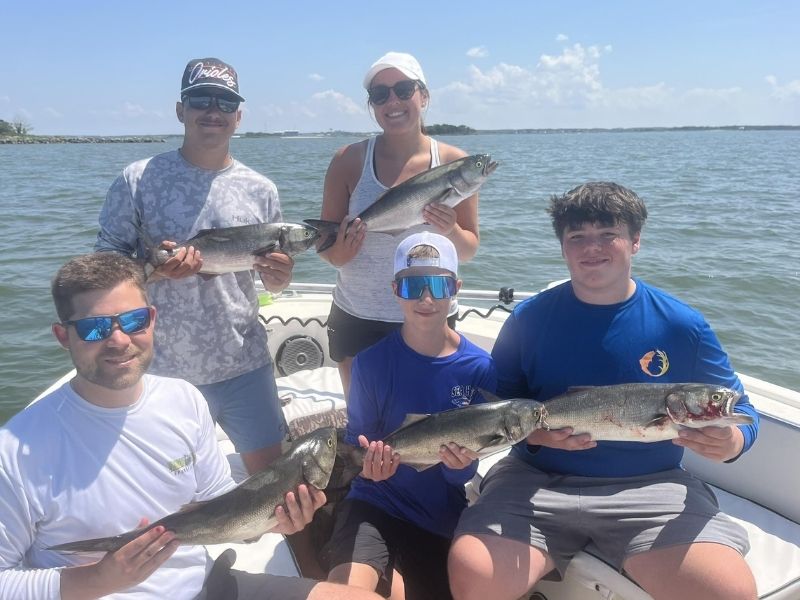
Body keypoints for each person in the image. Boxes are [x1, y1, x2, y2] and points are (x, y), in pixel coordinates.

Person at [0, 253, 383, 600]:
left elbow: (224, 508)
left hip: (205, 587)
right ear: (63, 336)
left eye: (133, 320)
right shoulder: (15, 449)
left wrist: (275, 522)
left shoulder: (183, 399)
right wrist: (101, 580)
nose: (118, 339)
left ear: (151, 319)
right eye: (95, 328)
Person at [448, 182, 760, 600]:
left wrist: (731, 442)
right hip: (536, 482)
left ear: (635, 241)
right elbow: (497, 406)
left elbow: (747, 412)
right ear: (563, 248)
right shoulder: (528, 319)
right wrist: (537, 436)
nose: (591, 247)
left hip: (653, 488)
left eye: (607, 234)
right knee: (474, 576)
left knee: (729, 592)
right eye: (577, 236)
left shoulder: (683, 326)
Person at [95, 57, 293, 474]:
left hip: (245, 362)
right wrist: (151, 270)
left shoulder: (261, 189)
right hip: (162, 370)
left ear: (238, 116)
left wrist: (280, 276)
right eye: (200, 99)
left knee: (274, 485)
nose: (212, 110)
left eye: (224, 102)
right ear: (181, 109)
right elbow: (103, 271)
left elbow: (269, 279)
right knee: (166, 490)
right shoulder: (138, 178)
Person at [324, 232, 497, 599]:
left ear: (456, 288)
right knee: (347, 593)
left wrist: (458, 466)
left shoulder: (480, 369)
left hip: (439, 515)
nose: (426, 298)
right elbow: (358, 439)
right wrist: (367, 464)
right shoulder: (370, 362)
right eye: (412, 286)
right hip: (374, 501)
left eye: (438, 284)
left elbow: (463, 475)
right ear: (394, 289)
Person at [318, 51, 481, 398]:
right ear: (372, 105)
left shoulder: (455, 164)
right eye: (380, 94)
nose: (393, 100)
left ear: (424, 96)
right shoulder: (348, 160)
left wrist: (450, 229)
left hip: (430, 313)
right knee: (364, 428)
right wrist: (339, 253)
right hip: (358, 313)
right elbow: (326, 245)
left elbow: (468, 250)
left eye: (404, 89)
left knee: (427, 427)